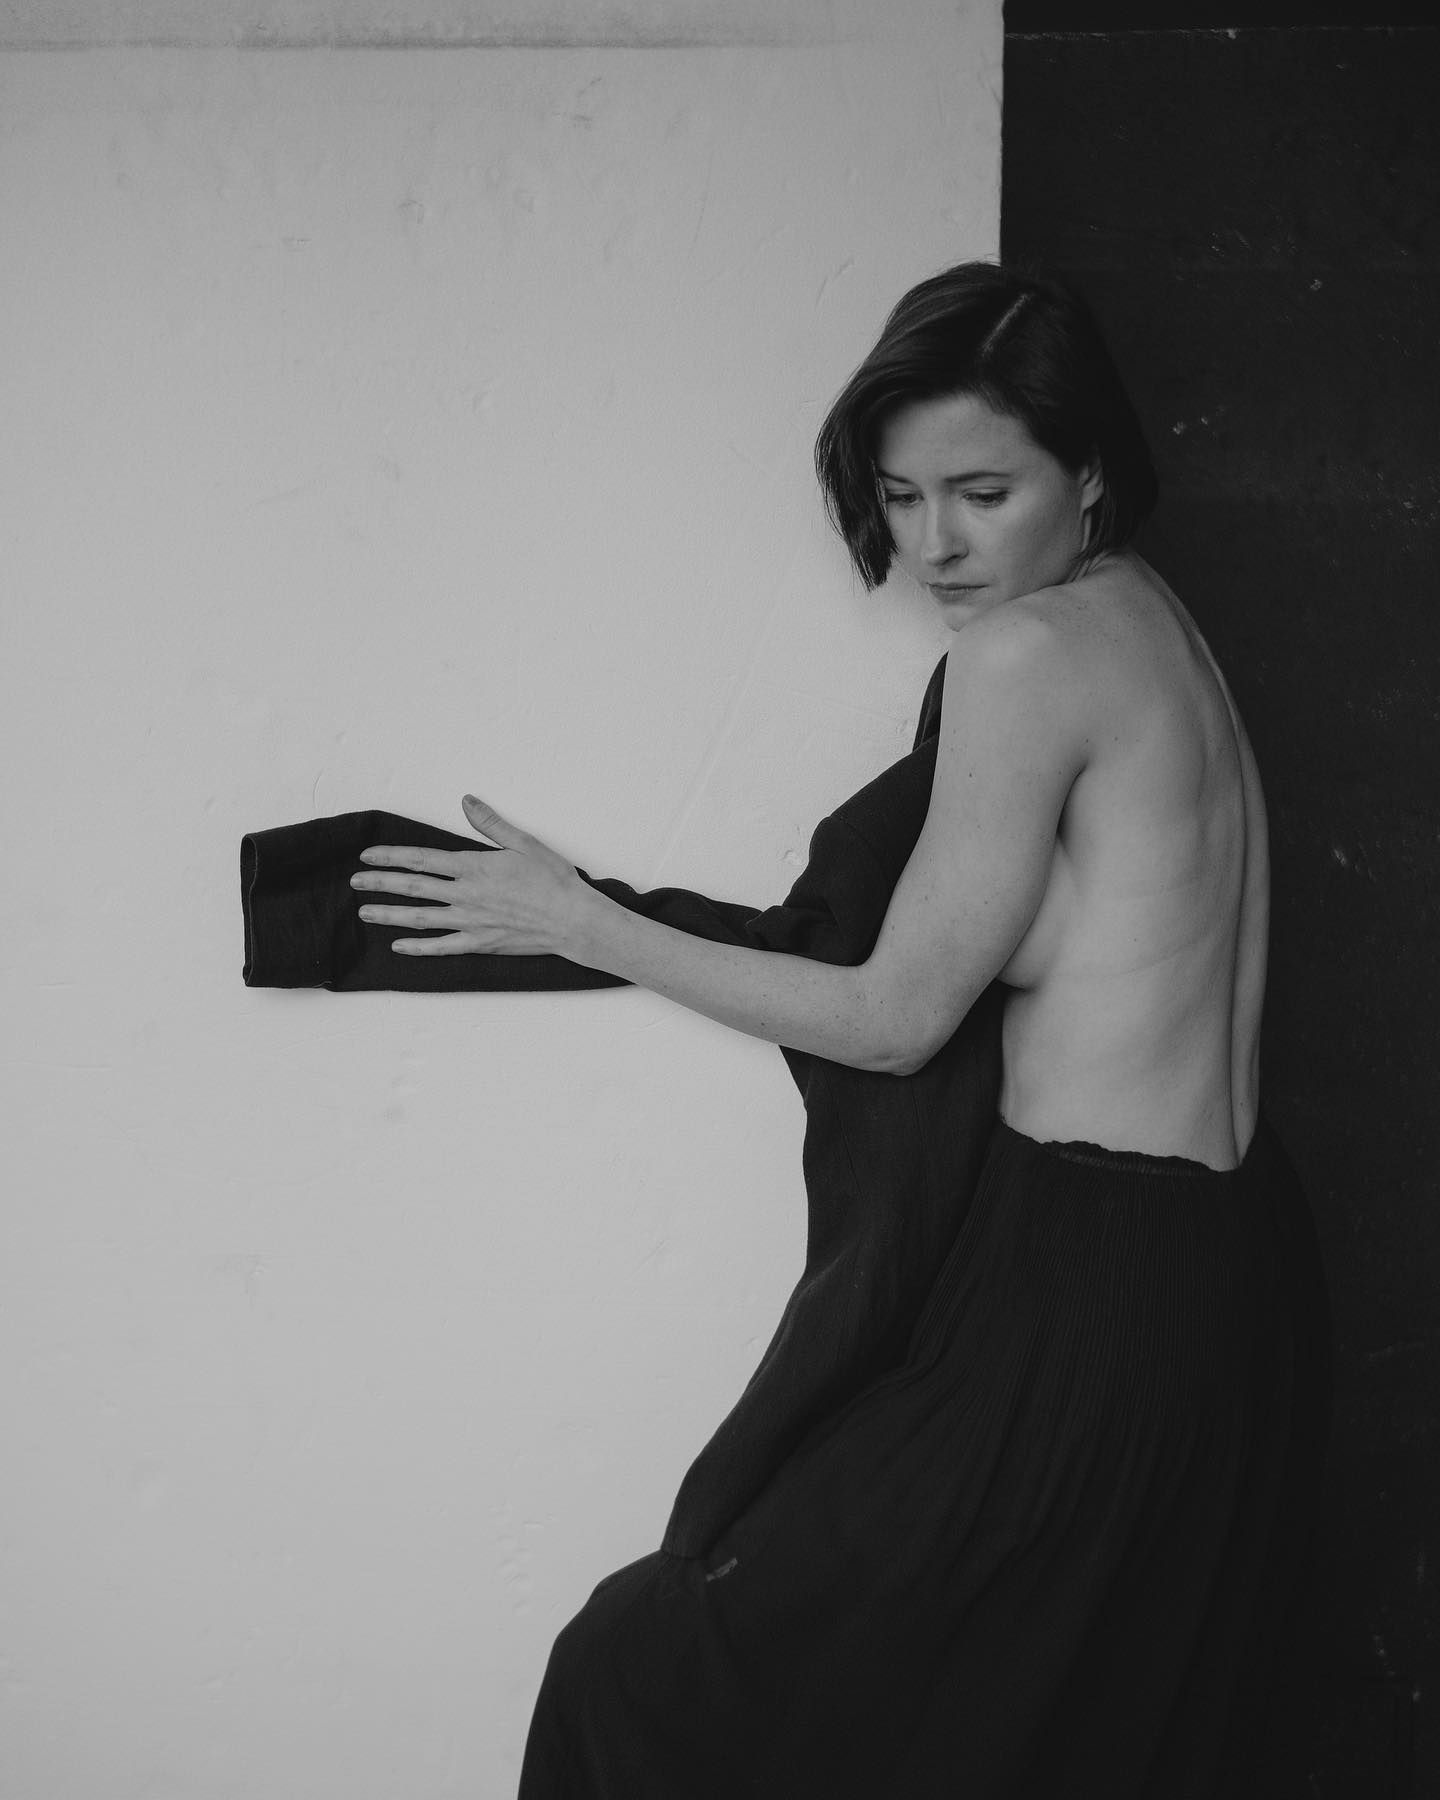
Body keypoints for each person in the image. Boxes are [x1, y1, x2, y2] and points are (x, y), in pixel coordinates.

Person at [346, 264, 1330, 1797]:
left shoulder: (1027, 657)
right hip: (1236, 1280)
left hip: (1091, 1292)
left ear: (1088, 470)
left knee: (645, 1674)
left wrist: (583, 921)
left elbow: (896, 1020)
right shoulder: (1153, 624)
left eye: (984, 493)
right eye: (902, 495)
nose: (936, 545)